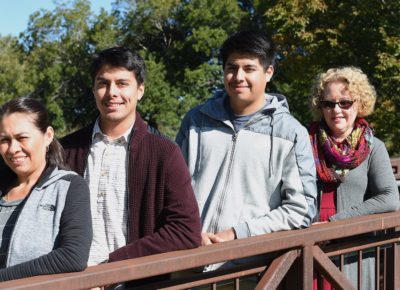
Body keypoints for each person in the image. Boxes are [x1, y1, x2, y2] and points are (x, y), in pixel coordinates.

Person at [176, 30, 317, 270]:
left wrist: (238, 233)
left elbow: (302, 210)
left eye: (249, 68)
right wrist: (189, 231)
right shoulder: (196, 121)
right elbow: (171, 189)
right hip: (188, 263)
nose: (238, 76)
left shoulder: (291, 132)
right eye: (232, 68)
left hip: (253, 270)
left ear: (268, 72)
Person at [61, 47, 201, 270]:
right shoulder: (65, 150)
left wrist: (113, 265)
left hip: (133, 281)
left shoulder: (164, 153)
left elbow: (185, 230)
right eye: (103, 83)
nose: (111, 92)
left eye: (122, 83)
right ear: (93, 89)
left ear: (140, 90)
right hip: (70, 280)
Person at [309, 66, 399, 290]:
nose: (336, 110)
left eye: (345, 103)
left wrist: (333, 224)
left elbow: (390, 198)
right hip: (306, 246)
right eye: (328, 103)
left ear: (360, 104)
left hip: (350, 251)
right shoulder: (304, 143)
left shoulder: (373, 147)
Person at [0, 97, 92, 281]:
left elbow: (73, 256)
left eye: (22, 138)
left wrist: (4, 279)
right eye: (5, 140)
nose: (13, 149)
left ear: (48, 135)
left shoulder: (69, 188)